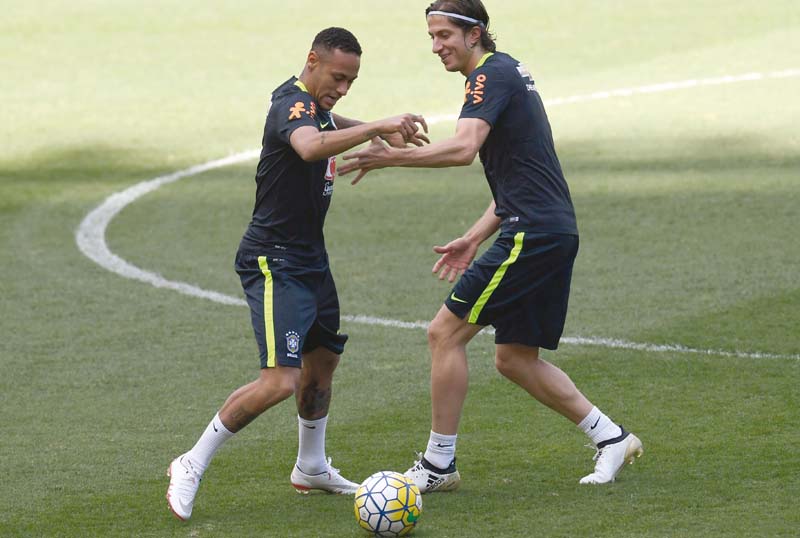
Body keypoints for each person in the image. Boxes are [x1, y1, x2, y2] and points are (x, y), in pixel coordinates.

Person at [339, 0, 643, 491]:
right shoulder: (505, 73)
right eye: (431, 38)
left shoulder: (488, 76)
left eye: (444, 36)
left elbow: (463, 149)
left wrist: (389, 156)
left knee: (444, 334)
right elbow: (522, 177)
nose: (437, 47)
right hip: (550, 228)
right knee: (515, 358)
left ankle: (439, 465)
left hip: (533, 233)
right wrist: (475, 237)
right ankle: (611, 437)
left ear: (475, 33)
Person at [166, 27, 428, 520]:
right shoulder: (290, 103)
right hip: (274, 260)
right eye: (337, 77)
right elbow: (310, 145)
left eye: (352, 80)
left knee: (323, 360)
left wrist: (374, 125)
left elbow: (325, 119)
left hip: (310, 258)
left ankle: (310, 466)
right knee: (279, 380)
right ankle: (190, 461)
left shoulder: (314, 105)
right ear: (312, 60)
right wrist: (378, 126)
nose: (343, 88)